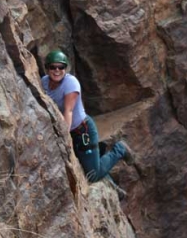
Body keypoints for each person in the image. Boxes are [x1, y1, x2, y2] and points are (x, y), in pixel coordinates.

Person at [40, 50, 132, 184]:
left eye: (61, 67)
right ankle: (112, 185)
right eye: (53, 67)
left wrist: (64, 138)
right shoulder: (44, 82)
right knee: (86, 165)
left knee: (92, 175)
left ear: (65, 68)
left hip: (83, 131)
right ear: (47, 68)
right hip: (69, 130)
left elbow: (68, 110)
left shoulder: (70, 83)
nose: (57, 70)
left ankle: (120, 150)